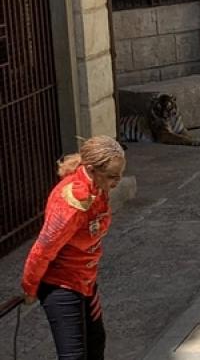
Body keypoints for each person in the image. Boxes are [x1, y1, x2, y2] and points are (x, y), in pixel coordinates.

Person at [21, 135, 126, 360]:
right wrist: (30, 287)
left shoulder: (98, 186)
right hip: (62, 284)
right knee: (74, 356)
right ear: (91, 169)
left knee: (96, 343)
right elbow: (43, 249)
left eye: (119, 175)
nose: (116, 182)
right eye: (111, 177)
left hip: (85, 280)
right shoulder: (71, 203)